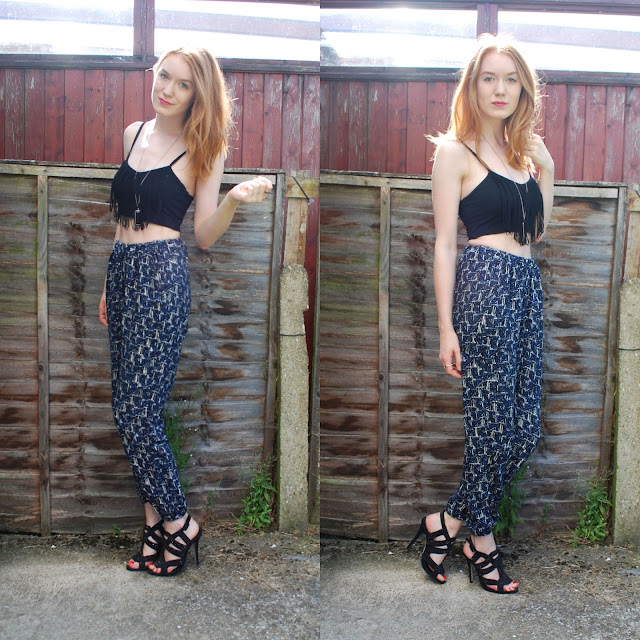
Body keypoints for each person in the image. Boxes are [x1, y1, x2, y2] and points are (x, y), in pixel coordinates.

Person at [99, 46, 272, 576]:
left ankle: (179, 522)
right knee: (132, 410)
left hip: (161, 276)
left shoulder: (204, 148)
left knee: (137, 411)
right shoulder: (132, 135)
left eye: (182, 84)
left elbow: (203, 236)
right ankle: (154, 529)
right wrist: (108, 283)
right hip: (122, 272)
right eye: (164, 76)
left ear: (198, 94)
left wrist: (233, 201)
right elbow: (122, 219)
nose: (168, 89)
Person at [407, 34, 554, 593]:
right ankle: (482, 543)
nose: (500, 88)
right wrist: (446, 326)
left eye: (511, 79)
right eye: (489, 77)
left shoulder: (524, 157)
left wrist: (547, 168)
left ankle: (446, 522)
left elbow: (537, 232)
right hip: (485, 285)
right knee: (491, 427)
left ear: (524, 90)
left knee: (524, 429)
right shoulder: (455, 152)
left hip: (527, 286)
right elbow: (445, 244)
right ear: (472, 86)